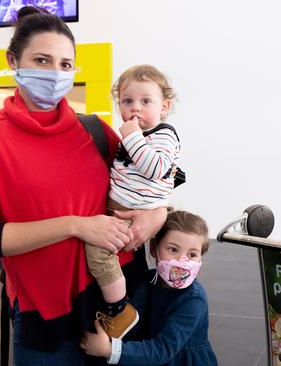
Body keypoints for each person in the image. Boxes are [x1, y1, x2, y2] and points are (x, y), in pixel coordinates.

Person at [0, 5, 166, 365]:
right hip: (45, 315)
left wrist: (156, 216)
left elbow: (154, 183)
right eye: (41, 60)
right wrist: (75, 226)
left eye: (65, 65)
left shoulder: (95, 130)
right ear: (12, 60)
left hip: (118, 304)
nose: (55, 73)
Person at [85, 64, 183, 340]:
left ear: (164, 106)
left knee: (98, 249)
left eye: (145, 101)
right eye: (127, 101)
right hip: (122, 207)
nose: (135, 108)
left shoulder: (163, 134)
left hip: (131, 212)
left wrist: (132, 136)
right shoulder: (135, 137)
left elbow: (155, 167)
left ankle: (118, 309)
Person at [81, 210, 218, 366]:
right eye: (173, 250)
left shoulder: (193, 301)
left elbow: (163, 349)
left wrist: (109, 349)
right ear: (154, 248)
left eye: (192, 255)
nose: (182, 261)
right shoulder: (147, 280)